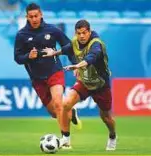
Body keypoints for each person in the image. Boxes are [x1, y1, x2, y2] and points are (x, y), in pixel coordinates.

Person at [14, 3, 82, 148]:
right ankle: (71, 111)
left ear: (41, 15)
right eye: (31, 16)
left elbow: (69, 47)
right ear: (27, 17)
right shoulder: (21, 35)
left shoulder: (52, 30)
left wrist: (75, 64)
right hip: (37, 78)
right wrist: (28, 56)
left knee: (58, 104)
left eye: (36, 16)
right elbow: (17, 58)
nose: (34, 19)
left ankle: (65, 141)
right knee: (55, 113)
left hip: (54, 71)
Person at [42, 19, 117, 150]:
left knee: (106, 117)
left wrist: (77, 65)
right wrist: (54, 53)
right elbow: (66, 49)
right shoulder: (75, 42)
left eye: (84, 33)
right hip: (84, 82)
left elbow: (91, 58)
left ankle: (112, 135)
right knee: (65, 104)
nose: (81, 36)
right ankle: (65, 139)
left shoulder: (96, 44)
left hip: (101, 85)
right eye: (78, 33)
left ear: (89, 31)